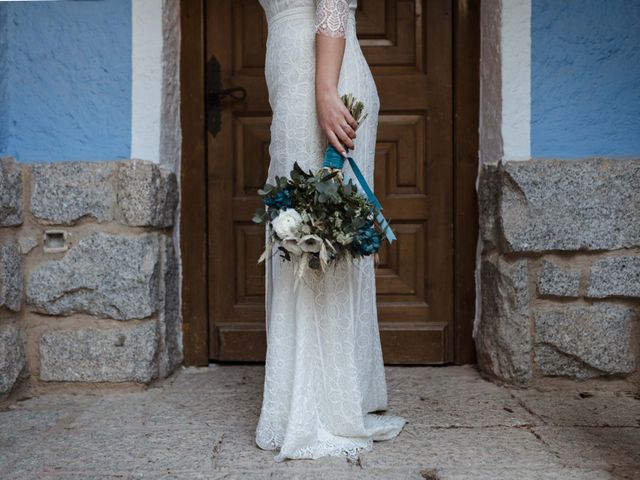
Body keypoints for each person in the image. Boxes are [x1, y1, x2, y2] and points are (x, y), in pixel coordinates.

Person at [255, 0, 407, 462]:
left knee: (317, 236)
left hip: (323, 83)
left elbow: (333, 4)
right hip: (300, 80)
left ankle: (324, 407)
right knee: (301, 233)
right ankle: (309, 397)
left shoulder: (322, 88)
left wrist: (325, 91)